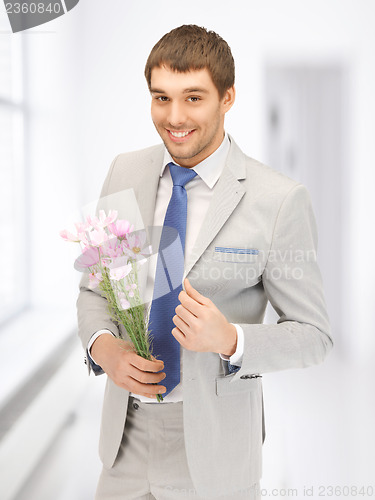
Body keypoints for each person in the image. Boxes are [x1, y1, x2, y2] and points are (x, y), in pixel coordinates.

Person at [77, 24, 333, 500]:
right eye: (161, 97)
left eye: (193, 97)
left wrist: (232, 339)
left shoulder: (278, 200)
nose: (174, 116)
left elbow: (315, 337)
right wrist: (104, 348)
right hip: (123, 445)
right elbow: (97, 288)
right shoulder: (125, 171)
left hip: (216, 456)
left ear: (227, 97)